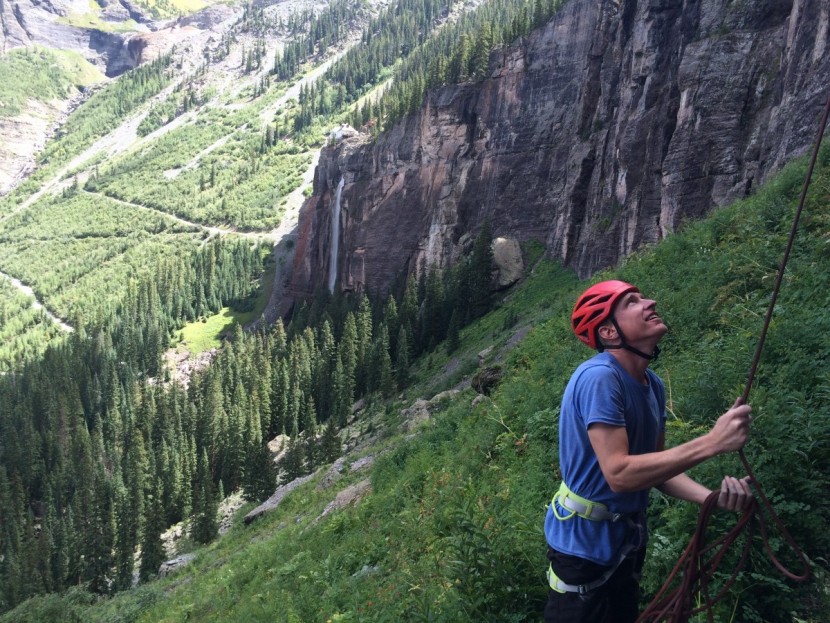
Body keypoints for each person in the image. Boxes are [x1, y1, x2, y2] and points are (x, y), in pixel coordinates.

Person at [543, 280, 753, 623]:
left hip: (625, 541)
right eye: (632, 302)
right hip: (581, 550)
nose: (650, 302)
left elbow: (657, 472)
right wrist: (713, 442)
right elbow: (620, 474)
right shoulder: (599, 378)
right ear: (609, 332)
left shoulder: (651, 384)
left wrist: (711, 498)